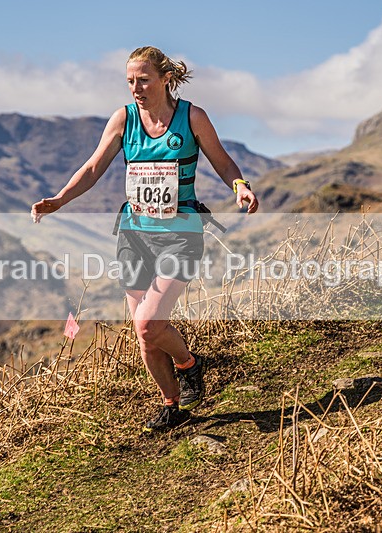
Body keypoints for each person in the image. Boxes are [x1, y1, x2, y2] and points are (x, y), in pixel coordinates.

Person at [31, 46, 259, 432]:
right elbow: (92, 167)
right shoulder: (124, 119)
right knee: (146, 337)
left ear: (165, 79)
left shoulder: (192, 117)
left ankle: (189, 364)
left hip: (181, 235)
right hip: (134, 237)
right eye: (130, 81)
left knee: (148, 324)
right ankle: (173, 405)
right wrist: (58, 200)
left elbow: (221, 159)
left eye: (144, 80)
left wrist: (239, 185)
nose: (136, 88)